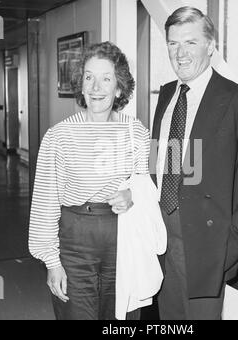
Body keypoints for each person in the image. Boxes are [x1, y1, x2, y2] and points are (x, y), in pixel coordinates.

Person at [150, 6, 238, 320]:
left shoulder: (237, 99)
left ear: (210, 46)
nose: (179, 54)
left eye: (190, 43)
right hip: (159, 238)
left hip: (206, 246)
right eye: (173, 44)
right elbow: (171, 164)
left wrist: (233, 232)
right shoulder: (167, 94)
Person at [29, 42, 155, 320]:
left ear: (119, 88)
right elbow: (45, 203)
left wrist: (132, 196)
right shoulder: (59, 136)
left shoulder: (136, 132)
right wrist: (52, 262)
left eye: (106, 78)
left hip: (123, 238)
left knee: (120, 320)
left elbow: (145, 186)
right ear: (81, 84)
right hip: (75, 241)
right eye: (89, 77)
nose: (96, 87)